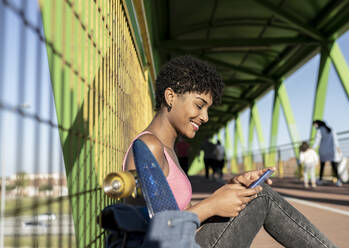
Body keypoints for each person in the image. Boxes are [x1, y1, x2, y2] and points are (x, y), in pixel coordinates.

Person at [123, 56, 338, 248]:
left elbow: (181, 219)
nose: (205, 117)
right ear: (170, 96)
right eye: (199, 106)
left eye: (207, 109)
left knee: (254, 193)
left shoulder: (167, 150)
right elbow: (147, 234)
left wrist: (230, 189)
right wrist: (213, 204)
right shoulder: (149, 147)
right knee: (261, 198)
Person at [312, 120, 343, 186]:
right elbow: (336, 141)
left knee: (322, 166)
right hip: (332, 150)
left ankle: (320, 180)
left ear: (318, 124)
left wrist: (312, 148)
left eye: (315, 125)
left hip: (323, 150)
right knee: (334, 166)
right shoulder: (331, 129)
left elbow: (317, 140)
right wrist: (339, 149)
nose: (315, 127)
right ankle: (338, 181)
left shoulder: (320, 130)